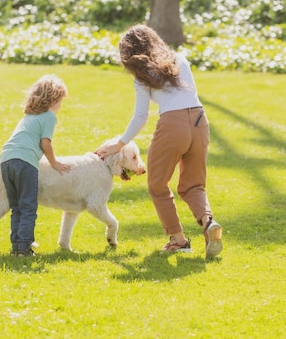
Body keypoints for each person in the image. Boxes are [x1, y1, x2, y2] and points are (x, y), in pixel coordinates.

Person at [96, 24, 223, 258]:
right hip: (200, 121)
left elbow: (141, 117)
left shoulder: (142, 76)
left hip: (173, 126)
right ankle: (208, 222)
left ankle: (178, 240)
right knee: (193, 184)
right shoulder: (180, 59)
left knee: (157, 184)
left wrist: (119, 144)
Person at [0, 75, 71, 257]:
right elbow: (45, 143)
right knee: (28, 207)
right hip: (25, 162)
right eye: (60, 100)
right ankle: (24, 249)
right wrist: (54, 163)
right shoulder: (49, 116)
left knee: (16, 207)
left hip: (6, 159)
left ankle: (16, 247)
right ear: (53, 99)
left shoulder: (29, 116)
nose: (60, 106)